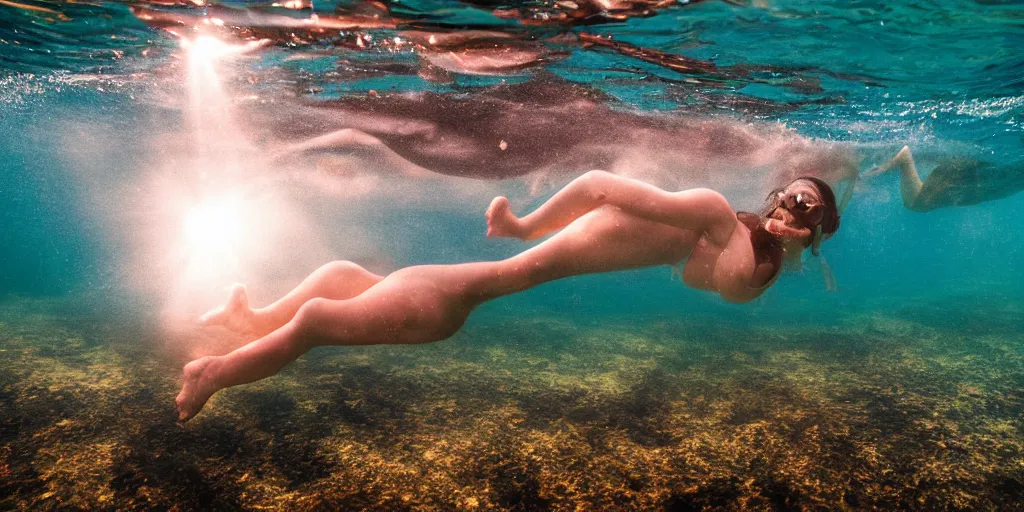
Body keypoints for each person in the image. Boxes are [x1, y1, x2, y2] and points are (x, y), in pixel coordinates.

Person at [176, 171, 841, 421]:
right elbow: (599, 182)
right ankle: (215, 369)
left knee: (360, 287)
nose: (788, 201)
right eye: (789, 192)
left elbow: (742, 268)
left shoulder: (747, 250)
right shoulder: (714, 213)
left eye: (803, 202)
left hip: (472, 288)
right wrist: (523, 224)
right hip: (458, 296)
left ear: (813, 228)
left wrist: (794, 242)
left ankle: (252, 318)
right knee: (323, 318)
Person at [867, 145, 1024, 212]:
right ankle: (904, 158)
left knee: (918, 204)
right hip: (979, 177)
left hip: (987, 179)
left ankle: (904, 159)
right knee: (917, 204)